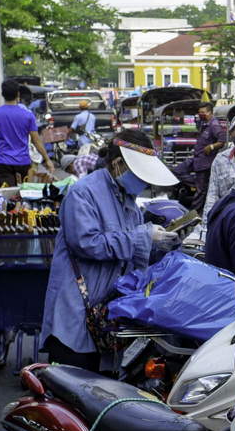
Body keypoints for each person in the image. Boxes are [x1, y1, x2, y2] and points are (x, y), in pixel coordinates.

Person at [39, 129, 181, 371]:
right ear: (117, 164)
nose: (143, 182)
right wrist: (144, 236)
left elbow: (134, 252)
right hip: (76, 312)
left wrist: (161, 243)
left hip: (107, 314)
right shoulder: (82, 193)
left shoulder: (128, 201)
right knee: (72, 391)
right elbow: (87, 243)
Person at [0, 79, 53, 187]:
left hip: (3, 162)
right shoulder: (28, 114)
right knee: (24, 194)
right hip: (23, 162)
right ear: (18, 94)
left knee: (7, 195)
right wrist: (47, 159)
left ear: (3, 94)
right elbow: (36, 141)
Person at [189, 102, 226, 207]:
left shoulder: (214, 125)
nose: (200, 114)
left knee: (201, 190)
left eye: (203, 112)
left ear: (210, 113)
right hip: (199, 161)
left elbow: (222, 141)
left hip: (206, 162)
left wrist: (211, 147)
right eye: (199, 112)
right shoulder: (204, 123)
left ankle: (195, 211)